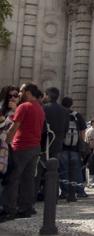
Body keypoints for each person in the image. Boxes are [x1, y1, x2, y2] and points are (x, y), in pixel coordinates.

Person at [0, 83, 45, 222]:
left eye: (20, 91)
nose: (19, 94)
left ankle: (9, 210)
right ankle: (25, 208)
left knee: (12, 179)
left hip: (21, 146)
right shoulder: (39, 108)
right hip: (34, 147)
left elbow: (14, 127)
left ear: (27, 92)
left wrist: (6, 141)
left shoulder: (24, 107)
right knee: (28, 179)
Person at [59, 96, 88, 200]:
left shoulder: (61, 115)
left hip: (63, 147)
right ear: (72, 104)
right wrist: (81, 143)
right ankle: (80, 191)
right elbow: (82, 132)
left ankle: (65, 192)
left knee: (63, 170)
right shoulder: (77, 115)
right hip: (75, 148)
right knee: (77, 170)